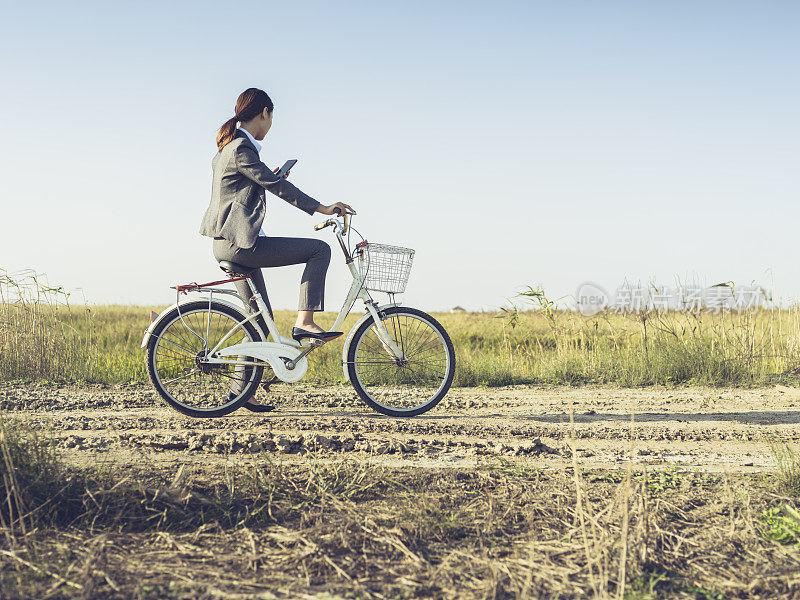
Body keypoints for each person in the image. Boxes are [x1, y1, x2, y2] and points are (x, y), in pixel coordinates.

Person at [199, 87, 355, 411]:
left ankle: (240, 393)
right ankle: (305, 323)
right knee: (319, 250)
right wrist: (322, 208)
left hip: (229, 244)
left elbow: (255, 184)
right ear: (264, 113)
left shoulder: (230, 147)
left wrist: (270, 176)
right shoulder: (242, 147)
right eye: (271, 119)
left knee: (258, 320)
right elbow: (277, 187)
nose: (270, 126)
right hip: (239, 245)